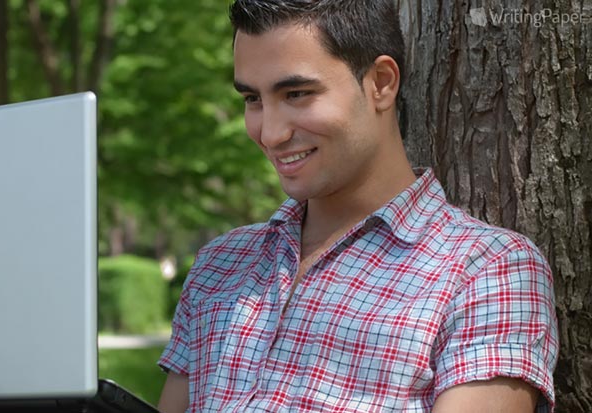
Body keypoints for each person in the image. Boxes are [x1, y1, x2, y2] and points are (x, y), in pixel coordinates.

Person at [156, 1, 558, 412]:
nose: (270, 134)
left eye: (296, 93)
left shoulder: (486, 272)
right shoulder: (219, 267)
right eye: (252, 99)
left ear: (381, 83)